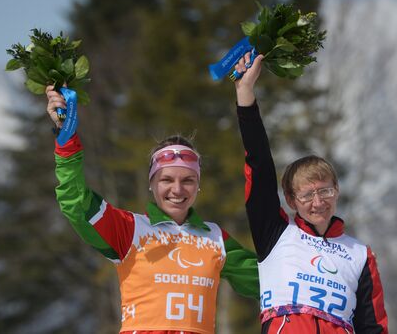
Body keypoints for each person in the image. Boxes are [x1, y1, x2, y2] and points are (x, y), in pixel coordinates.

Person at [45, 85, 259, 334]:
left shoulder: (215, 239)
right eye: (166, 180)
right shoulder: (129, 229)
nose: (177, 190)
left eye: (188, 180)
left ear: (198, 185)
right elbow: (76, 202)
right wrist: (66, 134)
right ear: (151, 183)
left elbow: (273, 281)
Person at [232, 54, 389, 333]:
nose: (318, 202)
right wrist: (245, 94)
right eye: (306, 196)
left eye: (325, 191)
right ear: (291, 200)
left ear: (337, 191)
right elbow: (260, 166)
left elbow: (373, 326)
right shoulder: (276, 234)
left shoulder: (360, 256)